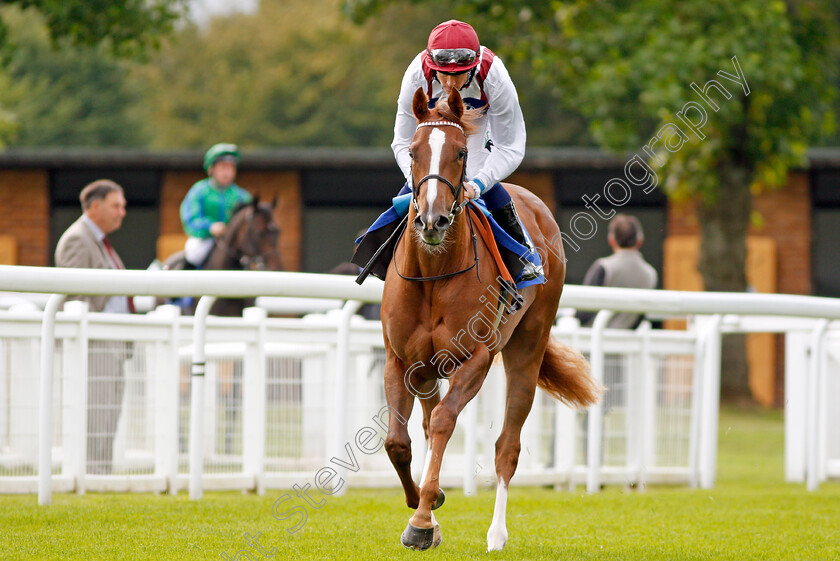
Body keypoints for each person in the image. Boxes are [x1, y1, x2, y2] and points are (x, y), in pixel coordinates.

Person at [354, 19, 541, 282]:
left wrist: (476, 185)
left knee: (471, 172)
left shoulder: (494, 76)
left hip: (477, 126)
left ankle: (525, 258)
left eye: (460, 73)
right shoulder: (416, 74)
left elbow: (510, 147)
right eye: (444, 74)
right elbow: (401, 141)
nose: (451, 82)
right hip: (432, 127)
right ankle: (378, 251)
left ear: (474, 64)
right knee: (423, 183)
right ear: (432, 66)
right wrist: (416, 181)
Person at [55, 179, 134, 474]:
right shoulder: (78, 238)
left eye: (123, 206)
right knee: (96, 413)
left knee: (109, 412)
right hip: (94, 342)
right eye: (117, 205)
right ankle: (91, 475)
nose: (122, 212)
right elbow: (75, 295)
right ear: (95, 206)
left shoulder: (100, 241)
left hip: (112, 341)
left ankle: (101, 474)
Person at [576, 213, 658, 329]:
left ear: (611, 240)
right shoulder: (651, 273)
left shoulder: (603, 267)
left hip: (595, 339)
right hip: (627, 342)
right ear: (640, 240)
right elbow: (640, 316)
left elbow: (582, 312)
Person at [181, 143, 252, 268]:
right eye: (223, 167)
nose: (228, 172)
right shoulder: (199, 191)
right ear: (211, 169)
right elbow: (190, 218)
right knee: (194, 253)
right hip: (205, 239)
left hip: (233, 243)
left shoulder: (242, 196)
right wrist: (210, 227)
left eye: (231, 168)